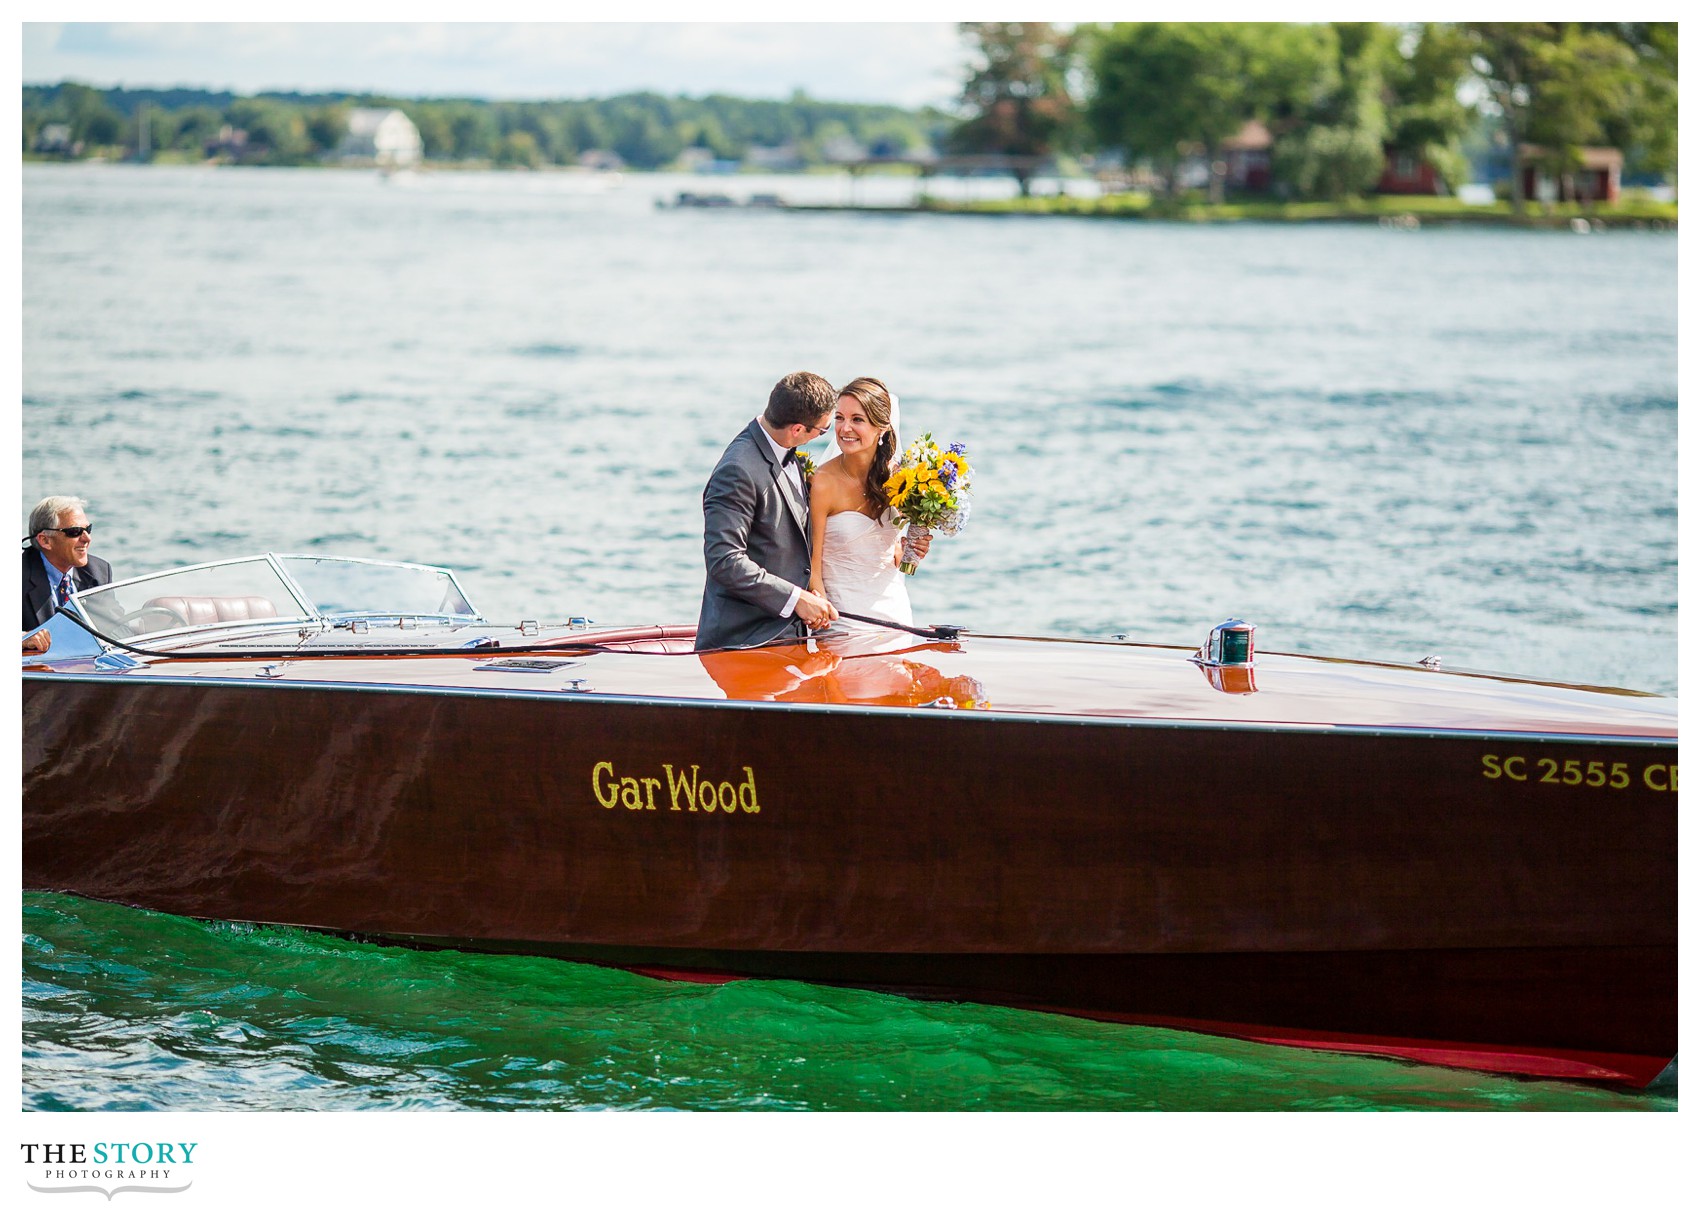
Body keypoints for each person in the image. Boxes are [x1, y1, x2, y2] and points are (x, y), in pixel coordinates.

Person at [696, 372, 840, 651]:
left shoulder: (782, 448)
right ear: (797, 430)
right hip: (744, 642)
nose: (822, 437)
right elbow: (724, 561)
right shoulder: (737, 470)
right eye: (822, 431)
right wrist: (796, 599)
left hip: (786, 637)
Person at [807, 376, 927, 628]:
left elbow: (894, 558)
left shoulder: (902, 478)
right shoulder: (823, 482)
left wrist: (912, 552)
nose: (844, 428)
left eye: (857, 419)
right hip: (843, 620)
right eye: (839, 418)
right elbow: (812, 568)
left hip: (894, 612)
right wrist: (825, 619)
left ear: (881, 428)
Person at [22, 495, 112, 635]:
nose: (87, 539)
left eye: (87, 529)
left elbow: (117, 628)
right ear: (45, 540)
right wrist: (22, 637)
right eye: (75, 532)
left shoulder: (99, 571)